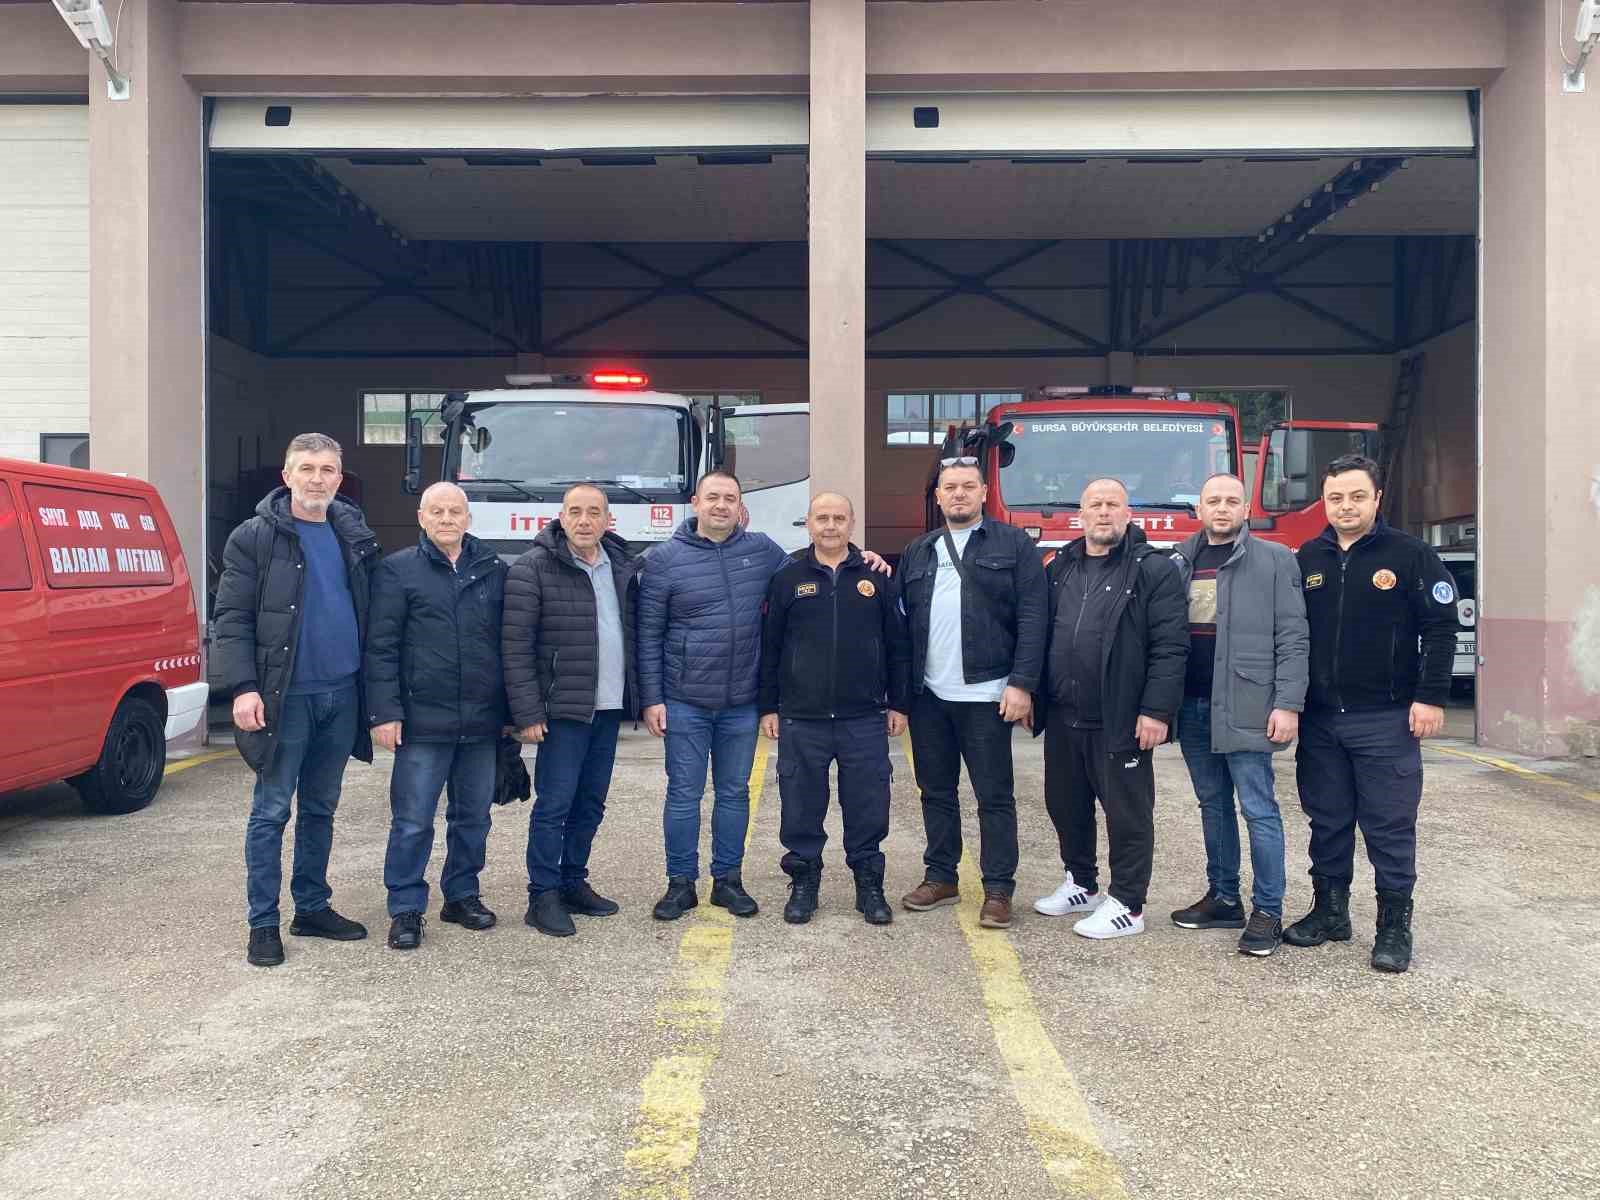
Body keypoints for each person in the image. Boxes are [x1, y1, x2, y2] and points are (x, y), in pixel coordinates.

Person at [637, 470, 888, 921]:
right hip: (685, 700)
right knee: (684, 795)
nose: (721, 506)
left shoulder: (762, 552)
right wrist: (652, 697)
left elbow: (816, 565)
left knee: (734, 794)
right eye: (713, 497)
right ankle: (680, 884)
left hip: (741, 703)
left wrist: (860, 558)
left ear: (741, 507)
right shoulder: (665, 559)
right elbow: (648, 633)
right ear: (696, 502)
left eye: (730, 498)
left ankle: (727, 881)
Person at [1285, 454, 1458, 974]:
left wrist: (1431, 697)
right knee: (1327, 820)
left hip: (1386, 719)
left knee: (1389, 825)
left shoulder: (1411, 555)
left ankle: (1393, 927)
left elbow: (1442, 628)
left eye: (1357, 496)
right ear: (1324, 500)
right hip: (1321, 720)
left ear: (1377, 499)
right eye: (1336, 497)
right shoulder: (1307, 558)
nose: (1346, 506)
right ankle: (1330, 912)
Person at [214, 433, 380, 968]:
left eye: (327, 469)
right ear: (287, 476)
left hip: (342, 695)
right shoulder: (254, 537)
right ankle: (263, 923)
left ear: (339, 478)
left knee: (320, 808)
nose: (316, 478)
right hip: (284, 699)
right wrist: (243, 687)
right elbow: (232, 618)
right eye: (306, 468)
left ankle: (311, 907)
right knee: (270, 811)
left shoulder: (353, 533)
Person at [1030, 478, 1187, 940]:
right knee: (1066, 805)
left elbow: (1170, 647)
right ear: (1080, 514)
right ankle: (1082, 883)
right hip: (1065, 714)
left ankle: (1128, 905)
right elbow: (1044, 633)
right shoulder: (1061, 565)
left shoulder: (1152, 569)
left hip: (1120, 718)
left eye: (1112, 504)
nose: (1103, 512)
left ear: (1127, 513)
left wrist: (1156, 711)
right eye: (1095, 504)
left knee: (1127, 815)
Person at [896, 456, 1048, 930]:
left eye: (967, 486)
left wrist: (1022, 683)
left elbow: (1034, 616)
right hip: (929, 696)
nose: (958, 494)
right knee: (935, 791)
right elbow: (900, 622)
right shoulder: (919, 550)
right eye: (950, 487)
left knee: (994, 796)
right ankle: (941, 877)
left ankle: (998, 888)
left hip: (987, 694)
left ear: (984, 493)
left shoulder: (1013, 544)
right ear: (938, 496)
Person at [1166, 473, 1308, 957]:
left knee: (1258, 808)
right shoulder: (1179, 560)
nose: (1222, 508)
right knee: (1213, 805)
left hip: (1249, 704)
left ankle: (1268, 910)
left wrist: (1287, 703)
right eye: (1213, 501)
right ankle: (1224, 898)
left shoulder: (1275, 559)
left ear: (1246, 510)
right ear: (1199, 509)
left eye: (1232, 501)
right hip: (1192, 705)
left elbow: (1294, 637)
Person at [365, 483, 508, 951]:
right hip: (422, 723)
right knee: (413, 821)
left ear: (468, 518)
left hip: (481, 722)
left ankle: (462, 895)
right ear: (421, 518)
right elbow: (381, 647)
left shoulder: (493, 569)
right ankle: (406, 908)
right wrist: (385, 712)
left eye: (455, 511)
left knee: (473, 818)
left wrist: (511, 713)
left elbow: (509, 644)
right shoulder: (397, 570)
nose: (447, 519)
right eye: (437, 511)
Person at [757, 492, 911, 926]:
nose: (830, 525)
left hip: (863, 716)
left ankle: (869, 885)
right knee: (801, 807)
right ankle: (804, 882)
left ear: (851, 523)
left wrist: (899, 703)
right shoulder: (787, 577)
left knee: (868, 806)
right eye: (822, 518)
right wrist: (768, 706)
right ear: (808, 523)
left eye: (838, 518)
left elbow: (899, 646)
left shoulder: (877, 576)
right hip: (801, 716)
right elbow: (770, 646)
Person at [502, 483, 643, 938]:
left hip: (609, 706)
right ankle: (541, 895)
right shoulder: (532, 568)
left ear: (607, 519)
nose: (584, 520)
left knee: (591, 802)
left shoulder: (621, 565)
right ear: (561, 517)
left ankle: (572, 881)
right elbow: (515, 647)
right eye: (575, 512)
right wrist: (527, 713)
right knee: (554, 805)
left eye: (594, 512)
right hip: (561, 709)